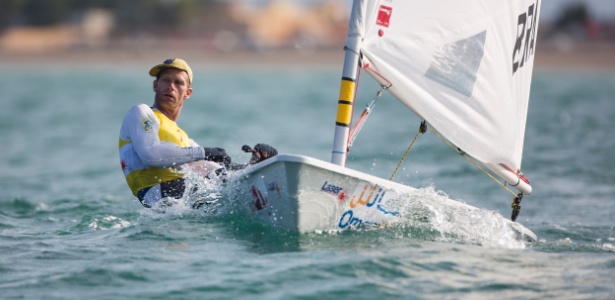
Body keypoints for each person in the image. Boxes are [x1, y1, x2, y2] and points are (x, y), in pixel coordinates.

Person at [118, 58, 277, 208]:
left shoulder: (185, 140)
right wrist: (204, 152)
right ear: (155, 85)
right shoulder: (141, 112)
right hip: (158, 195)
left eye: (178, 82)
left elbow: (211, 169)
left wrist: (253, 165)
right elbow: (150, 155)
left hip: (179, 196)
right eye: (165, 80)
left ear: (187, 93)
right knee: (219, 184)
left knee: (225, 176)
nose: (170, 86)